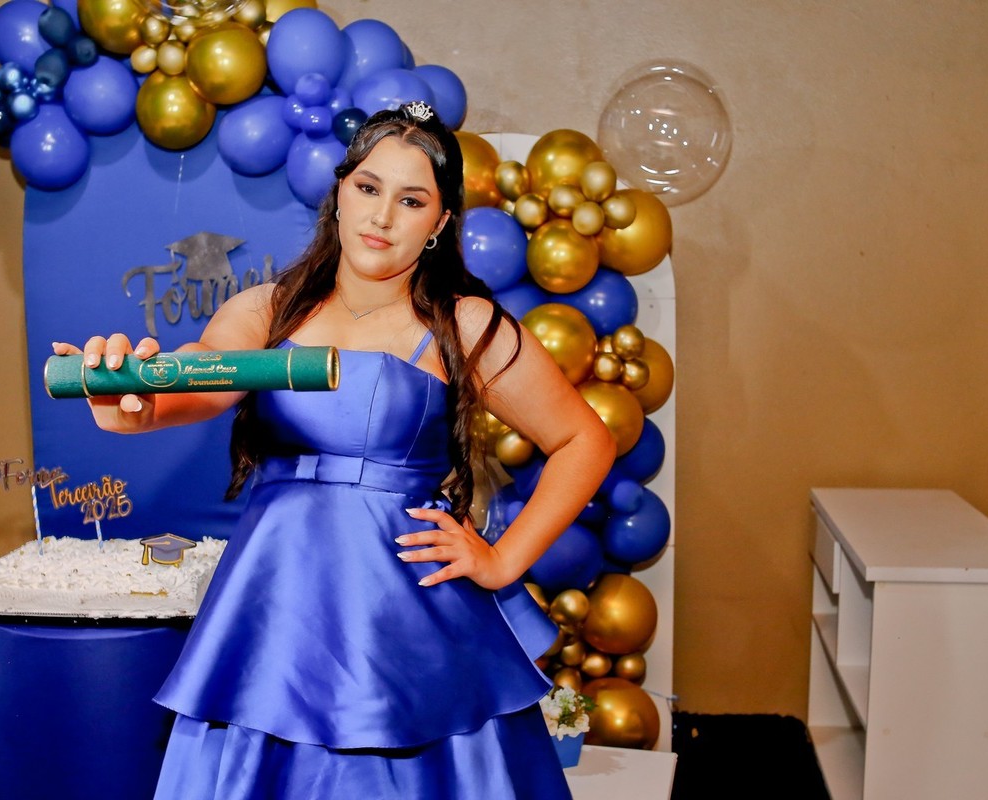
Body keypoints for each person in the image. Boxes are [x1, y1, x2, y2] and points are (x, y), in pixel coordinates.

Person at [54, 101, 614, 799]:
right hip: (279, 601)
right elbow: (192, 381)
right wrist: (131, 397)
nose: (382, 217)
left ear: (440, 223)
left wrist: (502, 561)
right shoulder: (268, 309)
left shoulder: (463, 324)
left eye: (411, 200)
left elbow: (584, 439)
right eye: (368, 188)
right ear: (340, 193)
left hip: (407, 613)